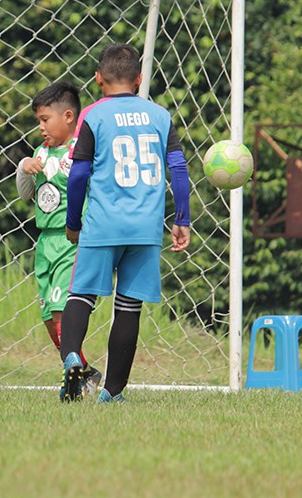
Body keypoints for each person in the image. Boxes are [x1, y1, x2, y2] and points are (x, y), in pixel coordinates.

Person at [57, 43, 191, 403]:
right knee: (129, 308)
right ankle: (113, 392)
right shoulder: (159, 115)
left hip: (103, 224)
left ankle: (72, 355)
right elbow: (177, 168)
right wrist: (182, 218)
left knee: (81, 295)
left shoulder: (93, 115)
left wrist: (73, 221)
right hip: (146, 230)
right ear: (139, 79)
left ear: (98, 79)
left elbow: (79, 174)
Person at [15, 82, 101, 394]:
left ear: (67, 116)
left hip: (71, 241)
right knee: (48, 317)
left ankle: (75, 375)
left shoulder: (83, 150)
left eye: (44, 119)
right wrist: (24, 168)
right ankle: (84, 371)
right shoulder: (40, 152)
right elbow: (26, 195)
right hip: (45, 243)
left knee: (60, 310)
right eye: (37, 120)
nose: (40, 127)